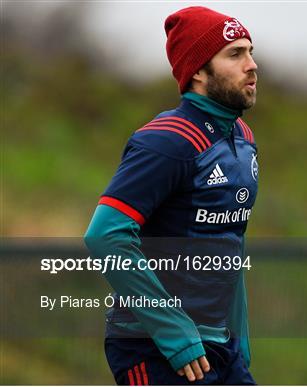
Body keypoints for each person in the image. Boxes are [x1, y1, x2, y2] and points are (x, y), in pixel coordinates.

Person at [84, 6, 259, 385]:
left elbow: (230, 242)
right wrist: (175, 333)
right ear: (197, 70)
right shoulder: (166, 140)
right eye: (235, 54)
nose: (251, 64)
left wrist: (239, 336)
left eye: (250, 51)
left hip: (220, 348)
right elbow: (105, 236)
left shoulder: (243, 139)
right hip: (154, 347)